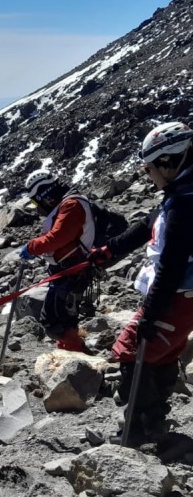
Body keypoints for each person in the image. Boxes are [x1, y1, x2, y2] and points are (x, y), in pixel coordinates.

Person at [89, 121, 193, 444]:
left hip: (172, 296)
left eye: (150, 168)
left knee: (132, 351)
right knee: (161, 354)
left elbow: (172, 264)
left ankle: (139, 427)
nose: (148, 176)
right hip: (184, 298)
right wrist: (109, 252)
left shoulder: (183, 205)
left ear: (169, 161)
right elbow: (144, 225)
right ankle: (152, 421)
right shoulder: (182, 194)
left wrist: (151, 312)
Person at [19, 170, 96, 352]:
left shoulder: (72, 205)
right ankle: (69, 351)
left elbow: (58, 237)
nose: (37, 206)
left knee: (56, 321)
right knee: (60, 318)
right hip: (67, 271)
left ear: (44, 195)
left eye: (35, 201)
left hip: (72, 271)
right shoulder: (68, 204)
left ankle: (78, 359)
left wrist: (32, 247)